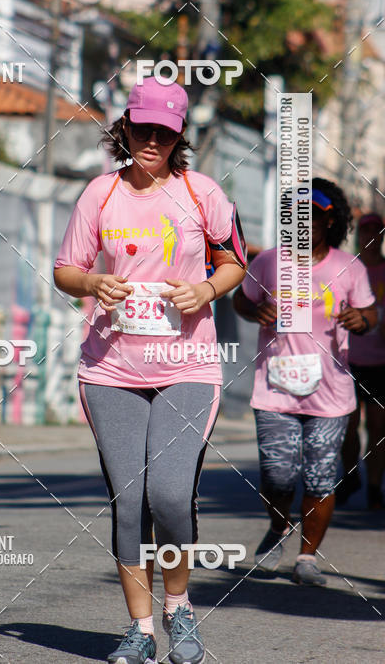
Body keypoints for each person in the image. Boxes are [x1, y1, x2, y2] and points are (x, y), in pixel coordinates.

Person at [54, 77, 247, 664]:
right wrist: (93, 283)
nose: (152, 139)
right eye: (143, 128)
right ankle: (140, 629)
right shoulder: (100, 194)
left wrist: (206, 290)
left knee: (167, 494)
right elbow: (66, 269)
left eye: (165, 131)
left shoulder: (201, 192)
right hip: (111, 369)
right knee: (129, 498)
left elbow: (234, 259)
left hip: (186, 365)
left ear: (179, 134)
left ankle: (179, 609)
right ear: (125, 127)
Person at [233, 178, 377, 587]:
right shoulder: (268, 263)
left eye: (312, 216)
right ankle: (278, 528)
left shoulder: (348, 267)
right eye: (295, 216)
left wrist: (359, 321)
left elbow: (370, 315)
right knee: (277, 475)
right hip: (275, 387)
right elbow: (239, 298)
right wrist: (253, 311)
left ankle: (307, 557)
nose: (303, 223)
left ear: (328, 221)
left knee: (319, 476)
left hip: (330, 393)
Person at [337, 212, 385, 510]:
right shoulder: (347, 270)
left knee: (379, 429)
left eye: (375, 231)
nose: (369, 237)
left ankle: (374, 487)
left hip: (381, 364)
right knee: (348, 426)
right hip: (347, 361)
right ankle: (351, 475)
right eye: (364, 232)